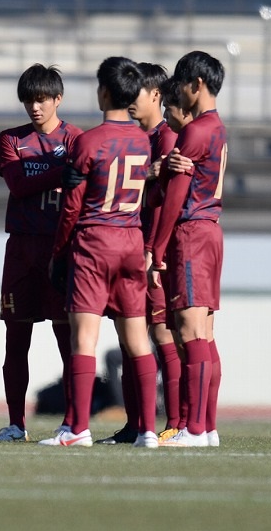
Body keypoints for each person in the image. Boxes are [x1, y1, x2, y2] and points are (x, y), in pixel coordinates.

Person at [40, 56, 158, 448]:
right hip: (130, 240)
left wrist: (59, 253)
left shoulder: (88, 141)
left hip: (94, 242)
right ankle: (148, 431)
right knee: (137, 340)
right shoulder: (144, 139)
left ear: (103, 91)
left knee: (84, 339)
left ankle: (77, 428)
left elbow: (72, 206)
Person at [0, 64, 83, 442]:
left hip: (61, 248)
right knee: (16, 340)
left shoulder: (77, 138)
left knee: (69, 340)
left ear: (58, 99)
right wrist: (61, 173)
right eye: (28, 99)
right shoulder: (11, 139)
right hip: (21, 249)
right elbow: (18, 183)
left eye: (41, 99)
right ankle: (16, 424)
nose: (35, 107)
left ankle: (73, 422)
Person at [96, 62, 178, 445]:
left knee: (163, 334)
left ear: (156, 95)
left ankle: (176, 424)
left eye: (139, 93)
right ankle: (135, 424)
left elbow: (164, 201)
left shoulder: (165, 138)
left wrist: (153, 250)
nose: (131, 101)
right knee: (133, 338)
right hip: (130, 247)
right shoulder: (134, 139)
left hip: (152, 252)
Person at [151, 51, 227, 448]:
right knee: (205, 334)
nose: (177, 91)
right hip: (211, 229)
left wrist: (157, 250)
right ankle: (207, 427)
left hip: (193, 233)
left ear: (196, 84)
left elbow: (176, 198)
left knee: (190, 331)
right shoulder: (217, 128)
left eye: (181, 83)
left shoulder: (194, 132)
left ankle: (193, 429)